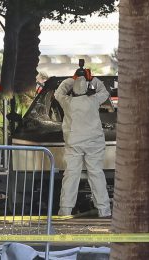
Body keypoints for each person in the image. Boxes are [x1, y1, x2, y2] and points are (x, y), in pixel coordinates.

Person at [54, 67, 111, 218]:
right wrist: (91, 79)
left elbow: (58, 93)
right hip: (94, 143)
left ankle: (65, 210)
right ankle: (104, 211)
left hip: (74, 143)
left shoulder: (67, 102)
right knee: (96, 174)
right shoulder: (94, 100)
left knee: (71, 175)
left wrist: (72, 79)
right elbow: (105, 92)